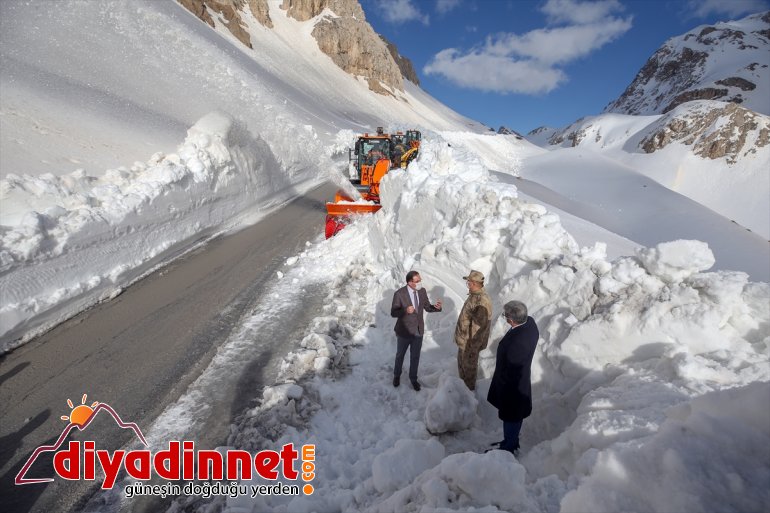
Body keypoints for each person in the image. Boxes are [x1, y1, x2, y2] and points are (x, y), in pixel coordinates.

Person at [487, 300, 539, 455]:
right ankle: (509, 441)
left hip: (513, 386)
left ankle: (509, 447)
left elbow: (513, 370)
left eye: (506, 316)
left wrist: (502, 387)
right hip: (519, 381)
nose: (505, 318)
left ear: (511, 320)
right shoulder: (529, 324)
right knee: (514, 414)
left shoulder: (517, 343)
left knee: (511, 416)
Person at [391, 271, 442, 391]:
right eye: (417, 281)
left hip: (418, 330)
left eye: (420, 280)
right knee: (400, 355)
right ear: (410, 282)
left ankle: (413, 379)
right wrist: (405, 310)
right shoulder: (399, 294)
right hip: (404, 331)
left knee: (415, 356)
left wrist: (436, 307)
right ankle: (396, 375)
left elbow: (427, 307)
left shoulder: (422, 291)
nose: (420, 283)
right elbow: (393, 312)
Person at [454, 270, 492, 390]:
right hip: (464, 342)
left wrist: (472, 349)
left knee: (468, 373)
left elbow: (479, 329)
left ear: (474, 283)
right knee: (462, 368)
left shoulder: (482, 301)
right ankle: (463, 391)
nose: (467, 284)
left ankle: (468, 397)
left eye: (468, 282)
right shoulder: (474, 295)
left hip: (470, 346)